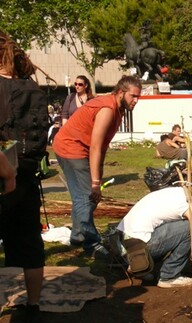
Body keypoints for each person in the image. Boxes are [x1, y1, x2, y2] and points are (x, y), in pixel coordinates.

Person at [53, 75, 142, 259]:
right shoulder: (108, 108)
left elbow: (102, 146)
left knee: (85, 197)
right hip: (71, 147)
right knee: (86, 196)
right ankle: (91, 244)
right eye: (133, 96)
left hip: (79, 148)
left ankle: (78, 236)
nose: (136, 100)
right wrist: (95, 183)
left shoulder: (118, 110)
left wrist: (98, 177)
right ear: (120, 92)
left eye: (138, 97)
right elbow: (95, 146)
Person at [0, 30, 47, 323]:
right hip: (29, 175)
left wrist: (7, 174)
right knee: (30, 243)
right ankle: (33, 305)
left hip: (5, 176)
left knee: (28, 242)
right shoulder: (35, 90)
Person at [117, 185, 192, 288]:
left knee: (177, 227)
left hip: (123, 244)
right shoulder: (187, 204)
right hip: (139, 249)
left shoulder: (177, 192)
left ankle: (141, 266)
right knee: (190, 227)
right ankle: (168, 276)